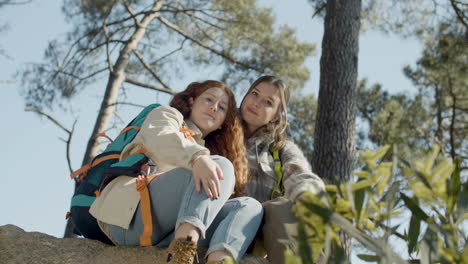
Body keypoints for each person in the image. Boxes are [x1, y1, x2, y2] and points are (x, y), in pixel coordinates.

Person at [89, 80, 263, 264]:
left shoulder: (207, 155)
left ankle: (219, 260)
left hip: (164, 234)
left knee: (250, 207)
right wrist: (197, 157)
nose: (213, 108)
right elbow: (162, 138)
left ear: (222, 123)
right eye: (209, 100)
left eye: (221, 108)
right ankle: (183, 251)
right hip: (128, 220)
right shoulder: (167, 116)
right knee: (220, 167)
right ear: (191, 102)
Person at [239, 75, 325, 264]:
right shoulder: (219, 128)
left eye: (268, 102)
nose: (256, 103)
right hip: (216, 216)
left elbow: (300, 174)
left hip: (256, 232)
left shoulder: (279, 148)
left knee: (281, 208)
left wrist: (308, 198)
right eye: (254, 94)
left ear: (276, 115)